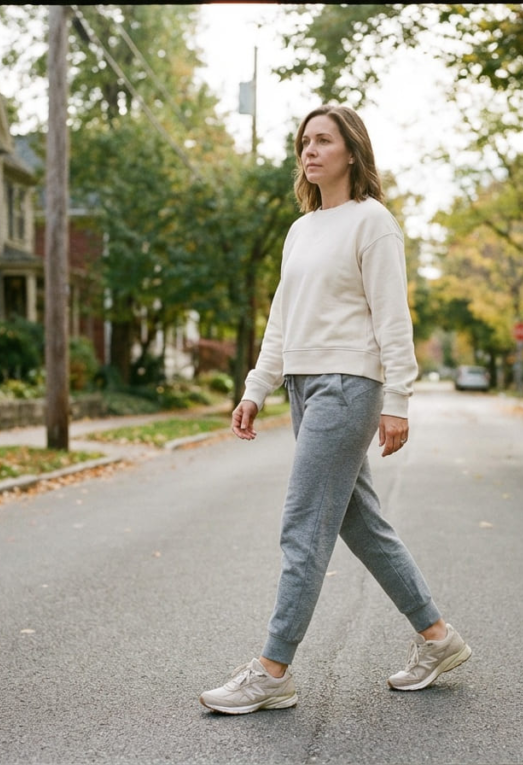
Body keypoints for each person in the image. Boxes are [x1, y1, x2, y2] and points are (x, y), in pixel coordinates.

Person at [199, 104, 471, 715]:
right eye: (303, 143)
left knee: (303, 525)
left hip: (349, 386)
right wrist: (255, 387)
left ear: (352, 150)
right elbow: (281, 320)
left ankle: (272, 670)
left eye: (323, 140)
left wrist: (397, 400)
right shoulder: (301, 230)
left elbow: (392, 319)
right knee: (360, 524)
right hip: (303, 386)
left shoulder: (372, 223)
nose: (310, 151)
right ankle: (438, 637)